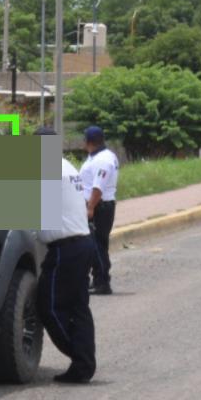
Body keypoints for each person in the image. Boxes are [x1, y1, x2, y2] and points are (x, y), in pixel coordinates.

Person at [33, 126, 97, 384]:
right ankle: (83, 365)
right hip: (82, 243)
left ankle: (82, 359)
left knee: (48, 306)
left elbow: (14, 204)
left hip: (65, 250)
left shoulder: (48, 170)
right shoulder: (68, 168)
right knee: (79, 307)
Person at [80, 125, 119, 295]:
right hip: (98, 205)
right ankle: (98, 279)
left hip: (99, 207)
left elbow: (98, 187)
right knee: (94, 245)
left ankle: (103, 282)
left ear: (88, 141)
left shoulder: (103, 159)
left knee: (97, 246)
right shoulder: (97, 156)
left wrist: (90, 208)